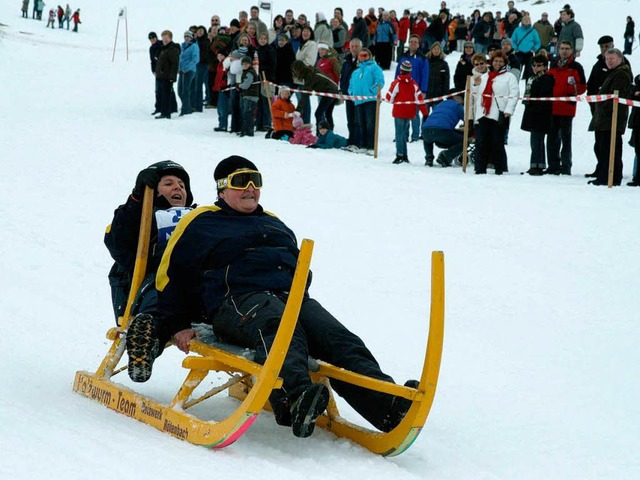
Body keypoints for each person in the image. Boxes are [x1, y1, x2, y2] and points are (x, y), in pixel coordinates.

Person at [125, 155, 418, 439]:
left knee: (338, 338)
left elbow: (297, 268)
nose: (250, 188)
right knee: (278, 327)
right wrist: (176, 323)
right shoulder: (202, 221)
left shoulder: (274, 222)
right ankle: (294, 398)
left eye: (255, 180)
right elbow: (172, 274)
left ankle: (387, 407)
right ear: (223, 189)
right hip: (236, 302)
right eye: (241, 181)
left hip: (289, 298)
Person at [105, 161, 194, 323]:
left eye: (182, 185)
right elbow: (119, 241)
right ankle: (148, 325)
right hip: (155, 285)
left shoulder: (197, 217)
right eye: (168, 184)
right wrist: (137, 199)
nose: (178, 188)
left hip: (194, 285)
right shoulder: (140, 217)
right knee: (160, 283)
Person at [589, 49, 632, 186]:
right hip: (604, 119)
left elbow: (615, 95)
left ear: (620, 59)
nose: (609, 61)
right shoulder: (613, 73)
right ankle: (605, 175)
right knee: (603, 148)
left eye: (612, 59)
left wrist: (603, 107)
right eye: (607, 59)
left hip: (612, 119)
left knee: (610, 149)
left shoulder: (621, 74)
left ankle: (609, 177)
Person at [472, 50, 519, 174]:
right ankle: (480, 168)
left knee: (497, 142)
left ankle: (499, 168)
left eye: (500, 61)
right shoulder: (485, 76)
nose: (497, 63)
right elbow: (477, 95)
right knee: (482, 142)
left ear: (504, 63)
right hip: (484, 113)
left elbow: (514, 94)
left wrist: (509, 110)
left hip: (499, 113)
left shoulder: (510, 77)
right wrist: (475, 85)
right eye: (495, 61)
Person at [546, 41, 586, 175]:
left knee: (566, 139)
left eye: (567, 49)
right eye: (562, 48)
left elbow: (582, 87)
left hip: (567, 109)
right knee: (552, 139)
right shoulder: (553, 64)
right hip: (552, 108)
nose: (564, 51)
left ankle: (566, 166)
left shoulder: (576, 67)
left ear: (572, 51)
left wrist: (570, 91)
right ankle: (553, 165)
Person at [385, 60, 428, 164]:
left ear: (400, 70)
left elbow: (389, 98)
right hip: (410, 113)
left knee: (399, 133)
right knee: (404, 133)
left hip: (399, 112)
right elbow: (420, 100)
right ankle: (405, 155)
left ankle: (399, 155)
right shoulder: (414, 84)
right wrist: (425, 113)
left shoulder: (397, 83)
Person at [520, 55, 555, 175]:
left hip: (541, 114)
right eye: (534, 65)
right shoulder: (531, 78)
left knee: (538, 141)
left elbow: (544, 96)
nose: (536, 68)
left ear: (545, 66)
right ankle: (535, 164)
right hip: (532, 113)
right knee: (535, 141)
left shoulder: (547, 78)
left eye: (539, 65)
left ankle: (537, 166)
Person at [348, 48, 385, 155]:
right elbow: (351, 84)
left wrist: (371, 91)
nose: (363, 58)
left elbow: (380, 82)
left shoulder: (375, 68)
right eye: (361, 56)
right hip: (359, 101)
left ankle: (371, 146)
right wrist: (352, 93)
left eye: (365, 55)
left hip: (371, 100)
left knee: (370, 123)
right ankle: (363, 145)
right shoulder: (356, 71)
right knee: (361, 123)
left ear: (370, 56)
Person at [395, 35, 430, 143]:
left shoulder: (422, 58)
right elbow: (397, 73)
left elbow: (425, 75)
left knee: (414, 114)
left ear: (419, 44)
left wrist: (423, 90)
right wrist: (395, 87)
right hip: (402, 90)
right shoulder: (403, 57)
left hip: (416, 90)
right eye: (411, 42)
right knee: (403, 114)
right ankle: (403, 136)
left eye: (415, 42)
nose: (413, 44)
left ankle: (415, 136)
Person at [290, 60, 339, 133]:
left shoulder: (309, 76)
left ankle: (320, 134)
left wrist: (298, 109)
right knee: (327, 113)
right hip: (333, 89)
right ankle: (329, 132)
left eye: (295, 70)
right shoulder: (310, 71)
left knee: (318, 113)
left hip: (330, 92)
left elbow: (305, 95)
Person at [422, 91, 465, 167]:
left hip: (426, 129)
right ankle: (445, 157)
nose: (463, 102)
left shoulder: (440, 104)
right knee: (464, 141)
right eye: (462, 99)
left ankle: (429, 159)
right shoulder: (457, 105)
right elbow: (467, 119)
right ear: (456, 97)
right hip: (442, 131)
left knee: (427, 139)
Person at [341, 38, 363, 150]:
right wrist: (342, 90)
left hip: (358, 96)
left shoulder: (363, 61)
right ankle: (351, 140)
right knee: (350, 119)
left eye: (356, 46)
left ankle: (357, 143)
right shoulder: (347, 60)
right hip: (347, 95)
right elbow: (343, 75)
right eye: (352, 46)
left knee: (357, 120)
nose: (354, 48)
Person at [154, 30, 180, 120]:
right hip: (161, 76)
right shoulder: (164, 48)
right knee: (162, 94)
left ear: (170, 38)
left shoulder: (172, 49)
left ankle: (166, 113)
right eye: (163, 38)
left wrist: (172, 77)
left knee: (166, 95)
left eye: (166, 38)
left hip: (167, 76)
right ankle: (164, 111)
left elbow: (175, 64)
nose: (164, 40)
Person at [255, 32, 276, 132]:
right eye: (261, 38)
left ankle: (266, 123)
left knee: (265, 100)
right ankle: (259, 123)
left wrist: (261, 68)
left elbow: (272, 65)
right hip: (259, 78)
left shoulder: (270, 50)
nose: (262, 40)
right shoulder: (257, 50)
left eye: (264, 38)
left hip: (267, 78)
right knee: (259, 102)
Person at [511, 15, 541, 81]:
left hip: (529, 53)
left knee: (529, 72)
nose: (527, 21)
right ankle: (514, 87)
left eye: (528, 19)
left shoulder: (533, 31)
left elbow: (538, 42)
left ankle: (528, 88)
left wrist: (534, 49)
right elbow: (513, 40)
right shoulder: (517, 30)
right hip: (519, 53)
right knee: (517, 71)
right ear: (522, 21)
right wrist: (515, 48)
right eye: (525, 19)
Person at [177, 31, 199, 117]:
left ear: (191, 38)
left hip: (189, 71)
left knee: (185, 90)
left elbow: (195, 59)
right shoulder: (183, 46)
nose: (186, 38)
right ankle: (187, 106)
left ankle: (186, 109)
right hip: (182, 70)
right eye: (185, 36)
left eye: (188, 36)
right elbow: (180, 58)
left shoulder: (194, 46)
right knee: (180, 90)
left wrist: (188, 68)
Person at [237, 56, 260, 137]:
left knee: (248, 114)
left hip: (251, 96)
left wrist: (239, 86)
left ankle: (249, 131)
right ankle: (245, 130)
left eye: (247, 64)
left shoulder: (250, 72)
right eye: (243, 64)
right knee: (246, 113)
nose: (245, 65)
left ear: (250, 64)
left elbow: (246, 85)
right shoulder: (246, 72)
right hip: (247, 95)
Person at [626, 75, 640, 186]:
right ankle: (637, 176)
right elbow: (630, 92)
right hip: (637, 121)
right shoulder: (638, 79)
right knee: (638, 149)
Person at [194, 26, 211, 113]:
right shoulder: (196, 41)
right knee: (196, 85)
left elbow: (205, 54)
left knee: (199, 85)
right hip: (196, 65)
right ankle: (196, 104)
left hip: (202, 64)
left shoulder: (205, 41)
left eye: (201, 31)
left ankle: (198, 106)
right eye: (198, 31)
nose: (200, 32)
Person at [212, 52, 229, 132]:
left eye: (221, 55)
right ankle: (221, 124)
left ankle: (223, 125)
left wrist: (223, 84)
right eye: (218, 55)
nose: (219, 57)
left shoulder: (226, 64)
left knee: (223, 108)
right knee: (220, 108)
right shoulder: (219, 64)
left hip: (224, 88)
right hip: (219, 88)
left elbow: (226, 76)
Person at [148, 32, 163, 116]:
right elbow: (152, 61)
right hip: (157, 71)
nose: (152, 40)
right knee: (157, 90)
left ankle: (170, 107)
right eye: (150, 39)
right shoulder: (151, 48)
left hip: (164, 71)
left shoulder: (161, 44)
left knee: (166, 90)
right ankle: (158, 107)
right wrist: (153, 71)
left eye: (153, 38)